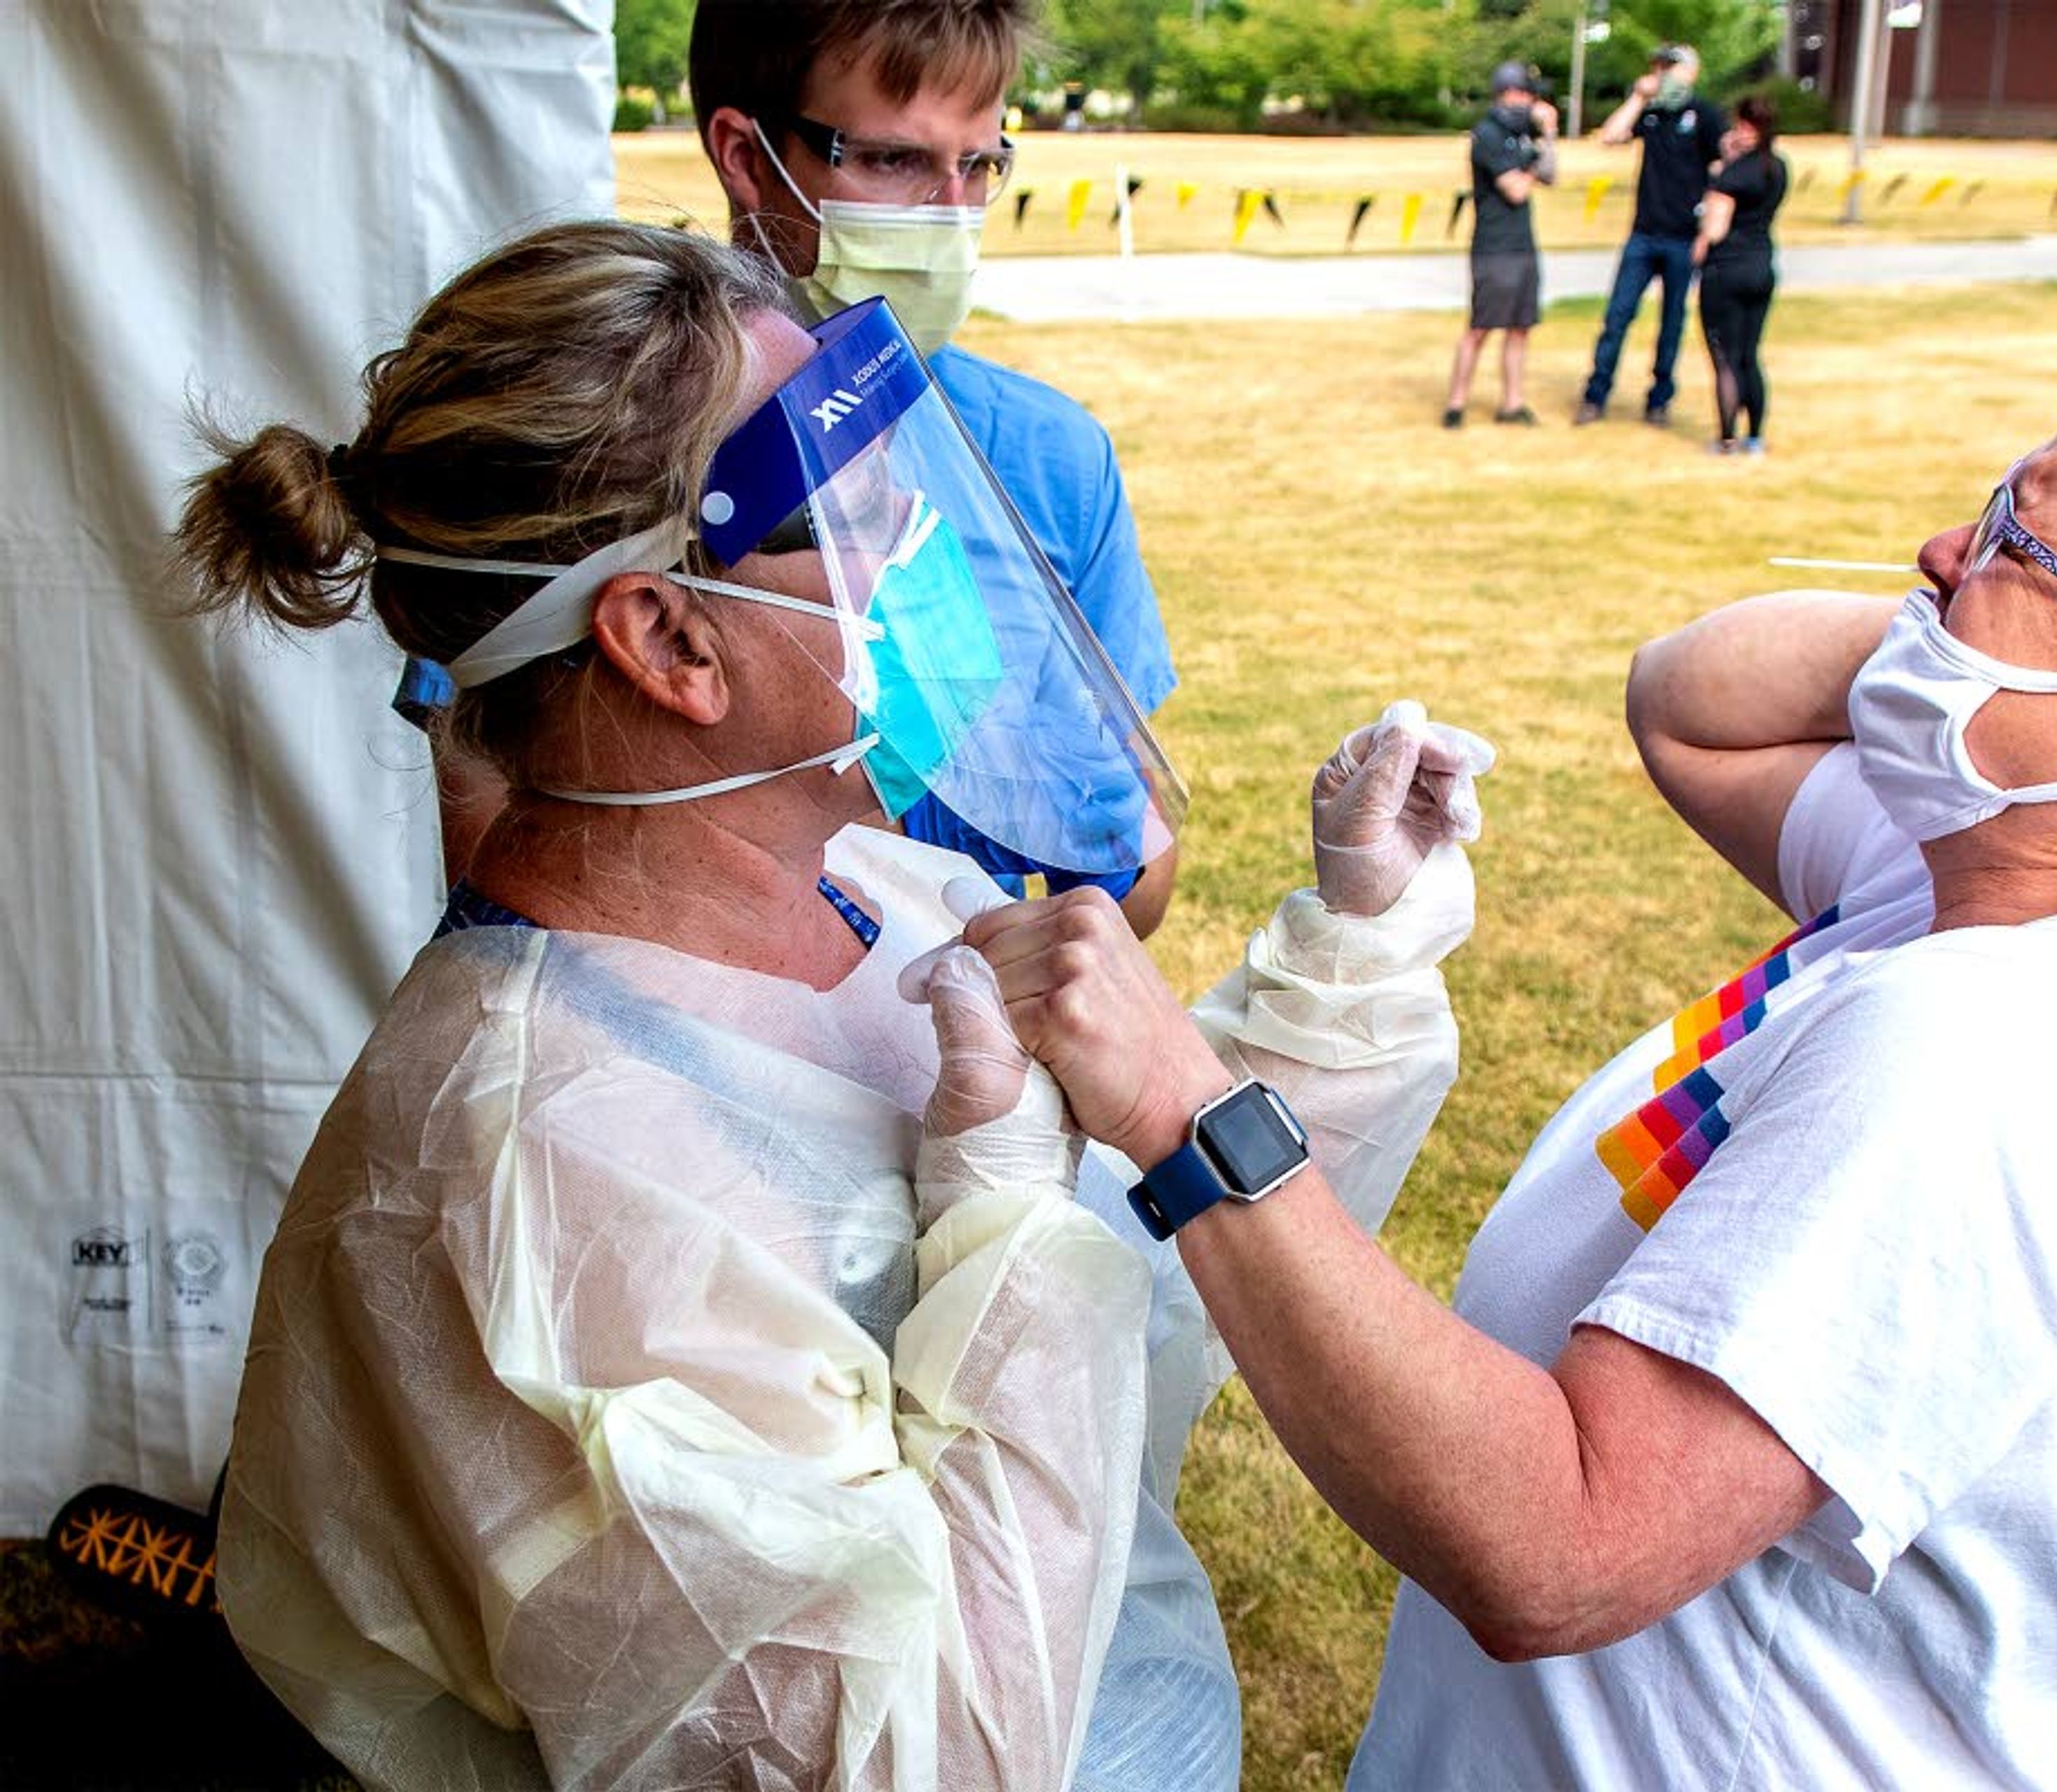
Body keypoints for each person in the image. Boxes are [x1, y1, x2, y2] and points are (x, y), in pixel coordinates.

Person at [945, 344, 2057, 1787]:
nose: (1930, 547)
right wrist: (1976, 636)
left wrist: (1187, 1107)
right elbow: (1694, 701)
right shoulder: (1972, 888)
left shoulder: (2008, 1048)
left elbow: (1559, 1538)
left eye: (2007, 540)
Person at [178, 220, 1481, 1792]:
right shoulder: (537, 1190)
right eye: (845, 487)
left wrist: (1348, 950)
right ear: (667, 638)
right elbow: (914, 1762)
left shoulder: (877, 884)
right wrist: (995, 1213)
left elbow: (1150, 1281)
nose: (913, 524)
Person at [403, 0, 1184, 937]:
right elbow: (511, 868)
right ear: (744, 152)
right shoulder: (588, 432)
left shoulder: (1051, 454)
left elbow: (1129, 861)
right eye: (896, 160)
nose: (951, 215)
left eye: (980, 165)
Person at [1574, 44, 1727, 429]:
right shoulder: (1652, 112)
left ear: (1689, 71)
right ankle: (1596, 393)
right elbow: (1611, 136)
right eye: (1658, 68)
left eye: (1670, 68)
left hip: (1683, 237)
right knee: (1617, 317)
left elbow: (1721, 171)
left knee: (1671, 323)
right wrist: (1639, 98)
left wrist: (1706, 230)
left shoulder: (1704, 115)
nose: (1663, 75)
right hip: (1644, 234)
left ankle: (1660, 399)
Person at [1443, 62, 1558, 430]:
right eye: (1523, 93)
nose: (1527, 101)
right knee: (1480, 328)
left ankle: (1512, 403)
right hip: (1495, 247)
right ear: (1506, 93)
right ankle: (1456, 403)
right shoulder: (1488, 135)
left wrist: (1549, 136)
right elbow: (1516, 189)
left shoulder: (1526, 134)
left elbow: (1551, 175)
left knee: (1520, 327)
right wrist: (1531, 161)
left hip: (1523, 242)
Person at [1694, 94, 1788, 456]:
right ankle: (1755, 436)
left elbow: (1715, 227)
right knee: (1750, 352)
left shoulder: (1733, 175)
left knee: (1725, 356)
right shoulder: (1776, 168)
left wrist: (1701, 241)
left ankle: (1727, 437)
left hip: (1726, 268)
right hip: (1761, 264)